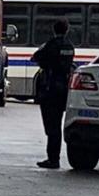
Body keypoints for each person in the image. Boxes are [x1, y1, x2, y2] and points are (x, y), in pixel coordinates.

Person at [31, 19, 75, 169]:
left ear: (53, 30)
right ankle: (54, 157)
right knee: (57, 125)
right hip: (63, 90)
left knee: (51, 127)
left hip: (50, 90)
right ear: (67, 30)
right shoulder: (70, 46)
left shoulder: (51, 45)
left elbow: (36, 58)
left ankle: (53, 159)